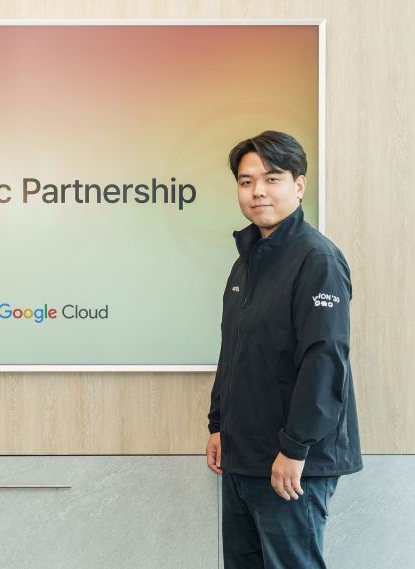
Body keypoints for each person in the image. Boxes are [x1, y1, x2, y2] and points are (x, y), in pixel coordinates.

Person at [206, 131, 362, 569]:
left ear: (299, 185)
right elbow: (234, 352)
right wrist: (219, 424)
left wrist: (295, 449)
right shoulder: (247, 262)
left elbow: (324, 360)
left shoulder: (317, 260)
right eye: (246, 181)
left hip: (292, 462)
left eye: (271, 178)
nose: (257, 191)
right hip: (244, 457)